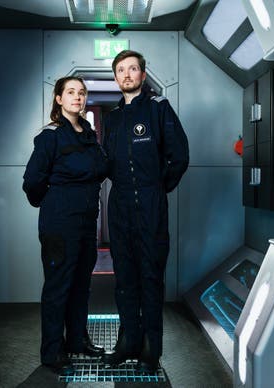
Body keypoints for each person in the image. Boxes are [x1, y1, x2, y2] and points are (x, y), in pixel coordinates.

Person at [101, 50, 189, 374]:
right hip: (120, 206)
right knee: (124, 278)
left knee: (151, 277)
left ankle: (151, 347)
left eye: (133, 69)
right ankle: (128, 342)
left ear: (142, 74)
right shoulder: (111, 119)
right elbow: (107, 162)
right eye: (121, 70)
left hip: (151, 205)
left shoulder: (158, 109)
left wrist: (158, 188)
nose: (127, 74)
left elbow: (180, 155)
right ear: (116, 77)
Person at [23, 76, 107, 375]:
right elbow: (32, 181)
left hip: (86, 223)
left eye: (82, 93)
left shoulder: (88, 134)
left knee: (81, 286)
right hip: (60, 223)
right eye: (70, 92)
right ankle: (52, 351)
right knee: (58, 287)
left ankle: (76, 340)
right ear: (59, 99)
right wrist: (53, 202)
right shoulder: (50, 136)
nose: (77, 97)